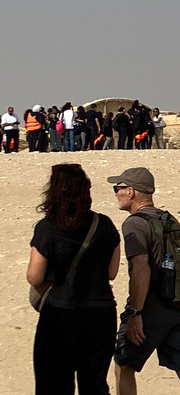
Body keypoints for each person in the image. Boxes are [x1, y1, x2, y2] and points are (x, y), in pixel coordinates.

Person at [110, 167, 180, 395]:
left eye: (118, 188)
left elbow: (141, 269)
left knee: (123, 366)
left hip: (151, 309)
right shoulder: (168, 218)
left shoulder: (134, 223)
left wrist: (135, 313)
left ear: (130, 192)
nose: (116, 193)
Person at [27, 163, 121, 395]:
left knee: (53, 385)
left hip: (60, 314)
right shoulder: (103, 224)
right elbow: (112, 272)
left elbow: (34, 277)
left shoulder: (47, 228)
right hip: (100, 315)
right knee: (94, 385)